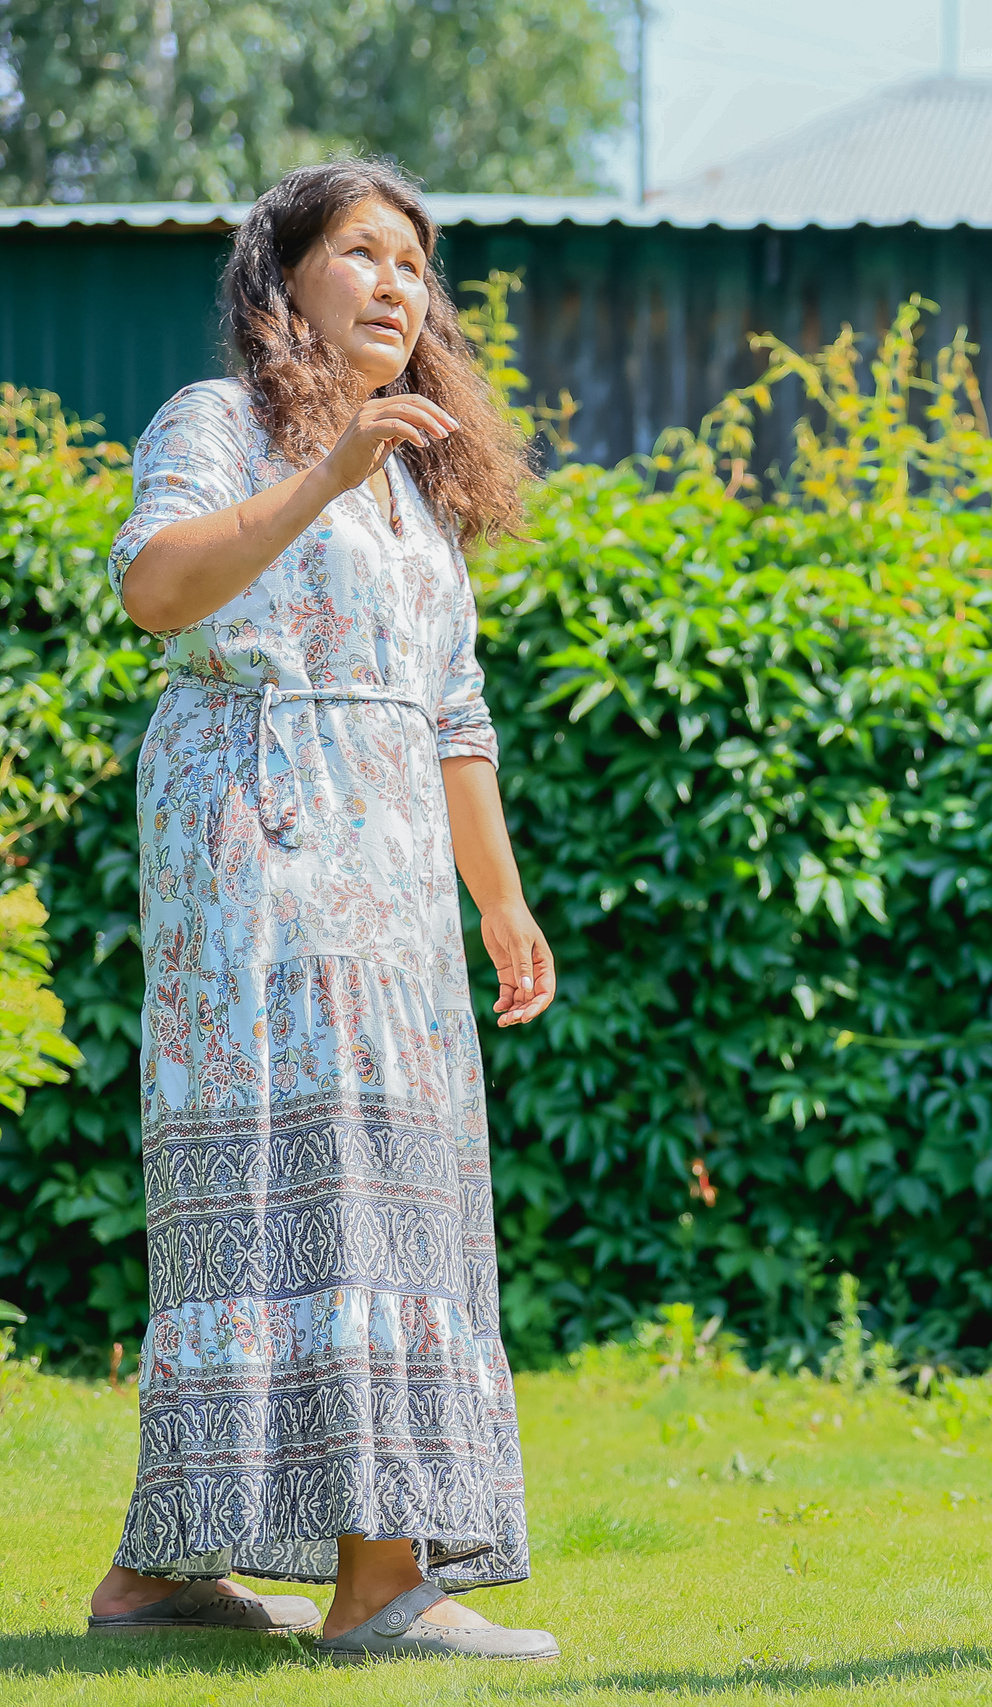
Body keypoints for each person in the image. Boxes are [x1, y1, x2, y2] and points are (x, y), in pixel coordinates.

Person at [83, 159, 560, 1663]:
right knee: (311, 1194)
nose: (401, 284)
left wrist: (502, 902)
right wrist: (327, 475)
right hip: (258, 870)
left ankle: (159, 1576)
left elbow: (453, 712)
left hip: (395, 892)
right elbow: (157, 590)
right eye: (365, 252)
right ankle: (375, 1587)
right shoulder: (217, 426)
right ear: (283, 281)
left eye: (417, 263)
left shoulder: (422, 489)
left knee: (374, 1196)